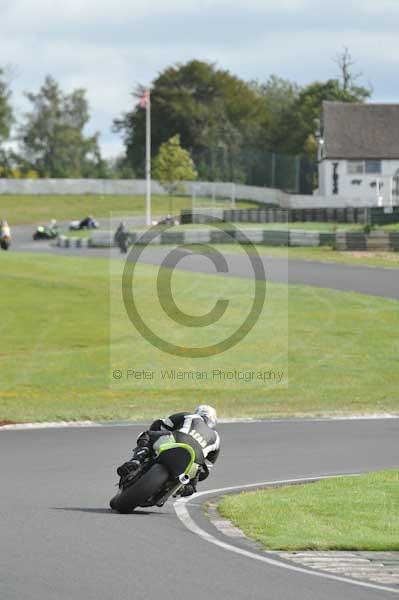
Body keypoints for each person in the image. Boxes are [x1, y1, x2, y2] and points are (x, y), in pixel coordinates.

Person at [117, 405, 220, 497]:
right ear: (213, 421)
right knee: (193, 478)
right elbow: (206, 470)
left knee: (147, 435)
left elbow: (160, 424)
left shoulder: (189, 416)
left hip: (178, 439)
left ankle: (136, 460)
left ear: (197, 413)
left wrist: (153, 441)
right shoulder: (216, 438)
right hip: (196, 458)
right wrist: (192, 482)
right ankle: (183, 487)